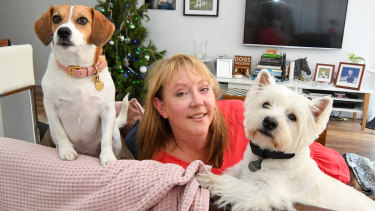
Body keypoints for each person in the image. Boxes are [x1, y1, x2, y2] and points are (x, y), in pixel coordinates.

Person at [136, 53, 350, 183]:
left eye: (204, 89)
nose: (198, 102)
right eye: (182, 93)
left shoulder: (241, 115)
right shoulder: (160, 168)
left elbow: (330, 167)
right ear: (161, 107)